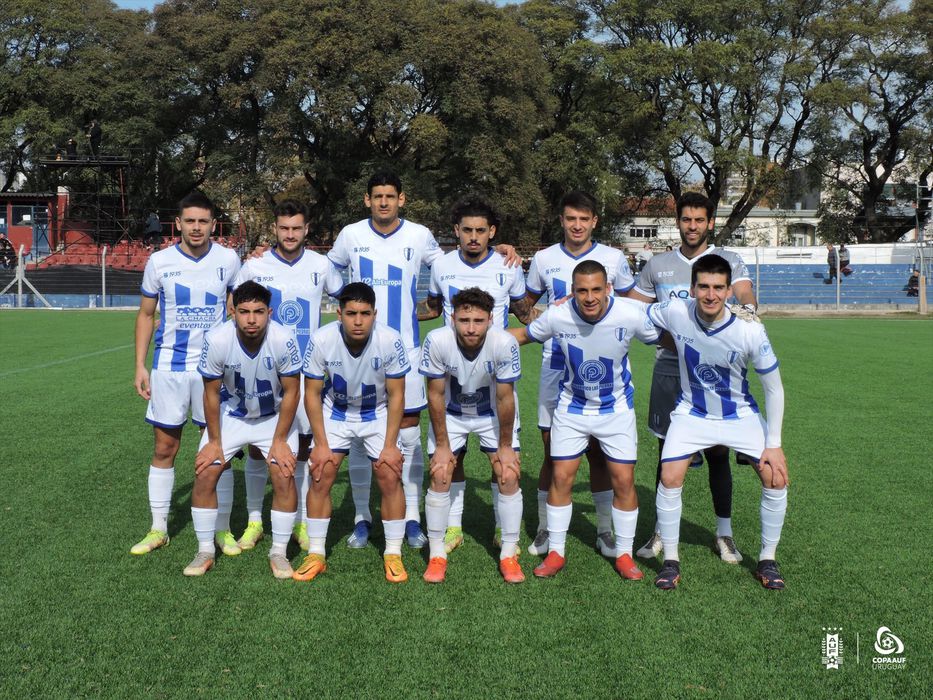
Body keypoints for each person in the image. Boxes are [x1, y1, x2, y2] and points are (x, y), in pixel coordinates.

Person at [327, 172, 518, 550]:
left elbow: (455, 263)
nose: (383, 202)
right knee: (363, 430)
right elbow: (329, 270)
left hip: (408, 352)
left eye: (390, 196)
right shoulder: (350, 235)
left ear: (402, 199)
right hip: (358, 348)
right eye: (377, 196)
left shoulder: (419, 235)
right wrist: (345, 300)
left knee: (409, 435)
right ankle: (363, 518)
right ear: (367, 200)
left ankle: (413, 517)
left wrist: (501, 248)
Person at [646, 254, 789, 590]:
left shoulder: (750, 329)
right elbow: (635, 315)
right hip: (691, 413)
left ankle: (768, 559)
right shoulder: (675, 311)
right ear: (692, 288)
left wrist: (775, 445)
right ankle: (671, 560)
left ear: (728, 291)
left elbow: (775, 388)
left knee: (776, 477)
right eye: (704, 286)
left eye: (719, 288)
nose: (711, 294)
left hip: (739, 416)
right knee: (669, 476)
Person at [629, 191, 758, 564]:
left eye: (699, 220)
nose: (692, 226)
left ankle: (724, 533)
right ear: (678, 222)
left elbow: (747, 298)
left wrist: (746, 311)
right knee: (667, 453)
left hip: (717, 372)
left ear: (710, 223)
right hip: (670, 367)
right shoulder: (658, 265)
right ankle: (659, 532)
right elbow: (638, 314)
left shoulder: (728, 260)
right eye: (686, 219)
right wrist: (672, 337)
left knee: (718, 452)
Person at [509, 261, 660, 579]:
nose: (589, 297)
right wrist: (475, 336)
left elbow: (660, 337)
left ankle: (624, 554)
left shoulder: (630, 314)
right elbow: (522, 336)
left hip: (616, 411)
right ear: (572, 292)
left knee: (623, 480)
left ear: (607, 288)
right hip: (572, 410)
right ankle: (556, 553)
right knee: (561, 477)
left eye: (595, 289)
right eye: (581, 290)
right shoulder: (558, 315)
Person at [521, 190, 636, 559]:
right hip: (557, 367)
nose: (577, 225)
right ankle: (545, 528)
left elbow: (634, 303)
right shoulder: (543, 258)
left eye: (584, 219)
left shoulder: (614, 259)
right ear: (562, 220)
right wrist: (538, 318)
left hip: (602, 371)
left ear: (594, 222)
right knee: (553, 454)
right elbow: (525, 303)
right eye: (571, 218)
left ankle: (604, 531)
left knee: (601, 456)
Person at [417, 195, 535, 552]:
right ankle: (453, 528)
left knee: (503, 463)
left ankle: (503, 529)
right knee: (452, 461)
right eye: (466, 229)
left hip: (495, 376)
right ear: (456, 231)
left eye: (480, 230)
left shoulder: (508, 265)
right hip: (451, 375)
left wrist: (558, 320)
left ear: (492, 232)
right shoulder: (441, 266)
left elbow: (525, 313)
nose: (473, 236)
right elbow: (433, 309)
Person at [131, 192, 241, 556]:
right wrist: (139, 365)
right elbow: (147, 315)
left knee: (217, 449)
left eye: (203, 221)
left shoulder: (228, 259)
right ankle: (158, 527)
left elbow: (239, 309)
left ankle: (222, 529)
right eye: (189, 221)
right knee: (165, 447)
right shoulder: (159, 261)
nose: (196, 228)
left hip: (215, 372)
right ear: (178, 223)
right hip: (169, 369)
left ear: (213, 224)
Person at [232, 199, 344, 554]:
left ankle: (298, 522)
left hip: (307, 372)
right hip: (261, 370)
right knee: (255, 446)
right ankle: (254, 521)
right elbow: (232, 307)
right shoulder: (256, 264)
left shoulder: (322, 265)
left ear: (306, 229)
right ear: (275, 229)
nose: (290, 234)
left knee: (301, 449)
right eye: (284, 228)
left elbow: (345, 302)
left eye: (297, 228)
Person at [294, 283, 410, 583]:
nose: (358, 321)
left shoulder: (390, 340)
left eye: (365, 314)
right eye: (351, 314)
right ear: (339, 314)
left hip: (378, 413)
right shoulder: (321, 340)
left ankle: (393, 553)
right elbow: (312, 394)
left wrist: (389, 445)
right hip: (337, 413)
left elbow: (397, 395)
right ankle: (316, 553)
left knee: (388, 472)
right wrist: (320, 444)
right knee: (320, 471)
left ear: (375, 314)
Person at [185, 281, 302, 577]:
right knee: (206, 470)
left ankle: (279, 552)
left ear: (270, 313)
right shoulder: (217, 339)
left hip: (273, 417)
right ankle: (204, 550)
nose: (252, 319)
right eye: (244, 311)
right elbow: (210, 393)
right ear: (233, 311)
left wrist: (278, 441)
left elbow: (292, 392)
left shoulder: (283, 339)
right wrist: (213, 441)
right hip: (233, 415)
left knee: (284, 473)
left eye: (259, 312)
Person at [420, 288, 524, 583]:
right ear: (451, 318)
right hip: (452, 414)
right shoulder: (437, 340)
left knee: (508, 473)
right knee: (441, 473)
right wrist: (442, 446)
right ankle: (437, 553)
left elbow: (505, 398)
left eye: (478, 320)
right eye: (464, 319)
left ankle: (508, 554)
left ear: (490, 319)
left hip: (491, 413)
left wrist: (505, 446)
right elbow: (436, 394)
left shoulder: (504, 342)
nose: (470, 327)